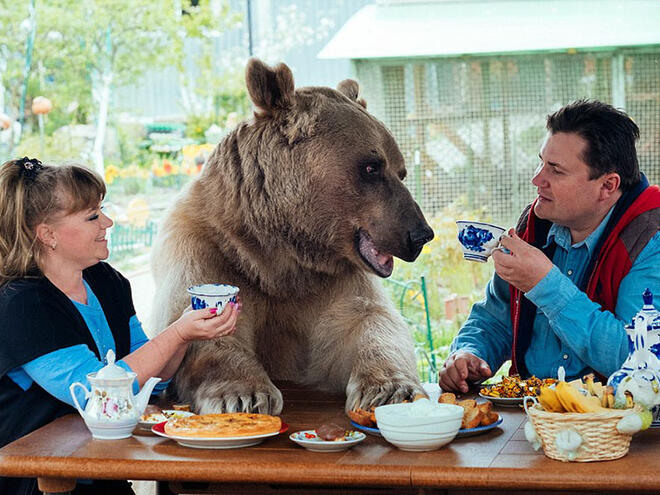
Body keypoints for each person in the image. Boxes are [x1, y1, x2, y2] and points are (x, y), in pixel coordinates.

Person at [0, 157, 241, 495]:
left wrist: (188, 333)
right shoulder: (22, 306)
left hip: (100, 471)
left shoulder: (106, 280)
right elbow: (100, 396)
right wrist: (178, 332)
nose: (108, 222)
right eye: (93, 216)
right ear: (47, 234)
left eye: (103, 210)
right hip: (40, 482)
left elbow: (151, 382)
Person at [439, 100, 660, 393]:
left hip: (615, 425)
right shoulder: (535, 223)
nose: (536, 179)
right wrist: (470, 354)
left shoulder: (649, 238)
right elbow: (495, 318)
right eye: (541, 161)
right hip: (531, 413)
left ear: (607, 186)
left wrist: (544, 284)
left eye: (555, 170)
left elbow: (638, 359)